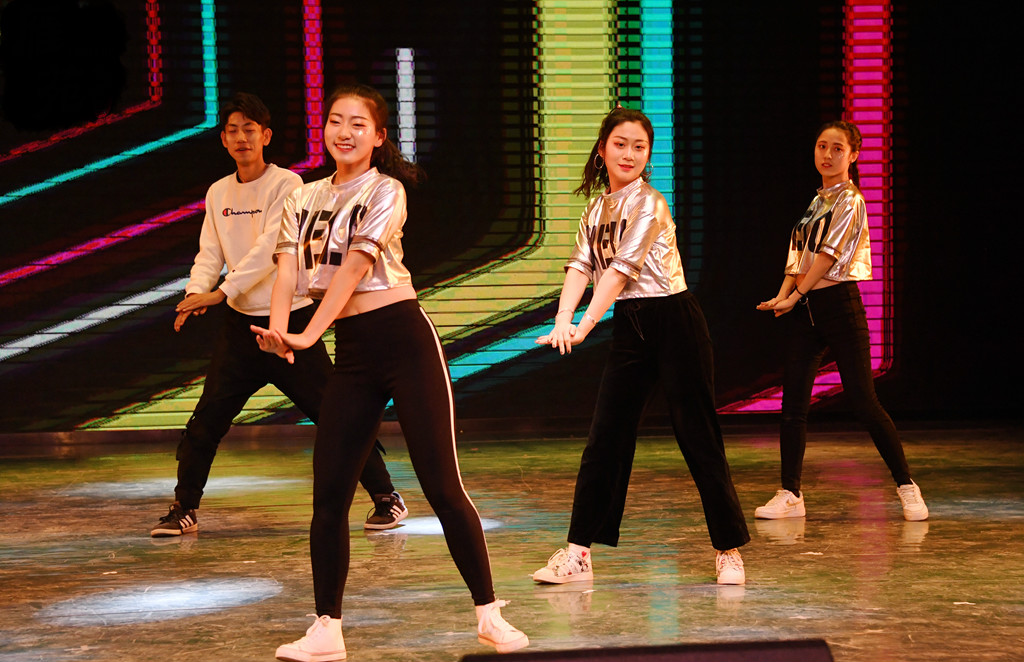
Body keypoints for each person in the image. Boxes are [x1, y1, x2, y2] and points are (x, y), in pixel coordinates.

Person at [252, 83, 528, 661]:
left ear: (378, 137)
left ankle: (489, 614)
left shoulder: (386, 189)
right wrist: (280, 332)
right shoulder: (303, 196)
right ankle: (326, 627)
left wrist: (308, 333)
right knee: (329, 494)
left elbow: (353, 269)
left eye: (358, 124)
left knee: (442, 486)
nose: (344, 132)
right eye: (335, 120)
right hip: (353, 353)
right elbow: (286, 270)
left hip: (404, 341)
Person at [151, 92, 407, 538]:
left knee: (337, 415)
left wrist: (221, 291)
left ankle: (387, 497)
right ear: (223, 140)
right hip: (241, 329)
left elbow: (270, 253)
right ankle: (183, 507)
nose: (241, 138)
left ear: (266, 136)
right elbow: (210, 252)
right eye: (233, 131)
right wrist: (196, 292)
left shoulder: (289, 186)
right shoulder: (218, 192)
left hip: (291, 323)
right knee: (206, 421)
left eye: (250, 130)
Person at [530, 107, 750, 588]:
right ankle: (578, 553)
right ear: (602, 149)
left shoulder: (650, 203)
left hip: (674, 320)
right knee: (605, 438)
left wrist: (585, 325)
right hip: (631, 326)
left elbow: (618, 272)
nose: (629, 154)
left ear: (648, 155)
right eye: (620, 144)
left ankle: (728, 549)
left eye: (639, 147)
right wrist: (562, 319)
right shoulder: (595, 210)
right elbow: (581, 266)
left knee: (698, 435)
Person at [753, 120, 928, 522]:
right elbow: (799, 256)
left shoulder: (851, 200)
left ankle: (906, 485)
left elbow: (828, 257)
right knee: (793, 405)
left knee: (864, 401)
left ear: (853, 155)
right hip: (806, 309)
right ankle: (790, 493)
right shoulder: (817, 202)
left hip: (839, 305)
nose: (827, 155)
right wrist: (783, 294)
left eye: (837, 148)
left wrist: (796, 294)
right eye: (822, 146)